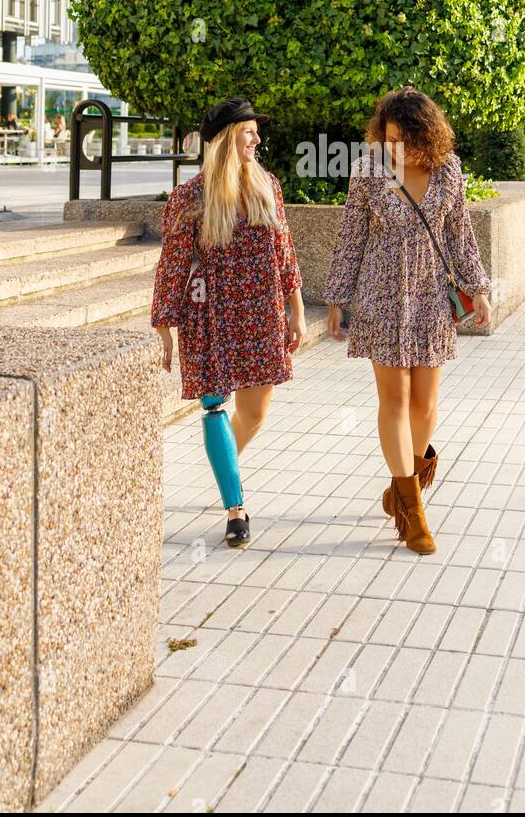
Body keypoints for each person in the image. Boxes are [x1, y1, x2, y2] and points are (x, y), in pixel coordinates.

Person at [324, 87, 493, 556]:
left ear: (428, 136)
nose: (395, 147)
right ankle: (414, 513)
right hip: (381, 296)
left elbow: (461, 236)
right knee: (394, 400)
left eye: (405, 138)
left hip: (430, 298)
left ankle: (401, 487)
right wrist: (337, 298)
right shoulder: (368, 172)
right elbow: (350, 237)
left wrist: (478, 289)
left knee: (425, 405)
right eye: (389, 137)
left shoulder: (449, 171)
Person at [151, 97, 306, 548]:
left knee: (255, 414)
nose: (257, 138)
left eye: (257, 131)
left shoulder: (267, 184)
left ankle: (224, 467)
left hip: (262, 312)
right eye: (248, 131)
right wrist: (164, 325)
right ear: (223, 139)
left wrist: (296, 308)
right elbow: (173, 265)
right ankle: (235, 506)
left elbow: (285, 251)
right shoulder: (190, 196)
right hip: (211, 314)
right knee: (215, 406)